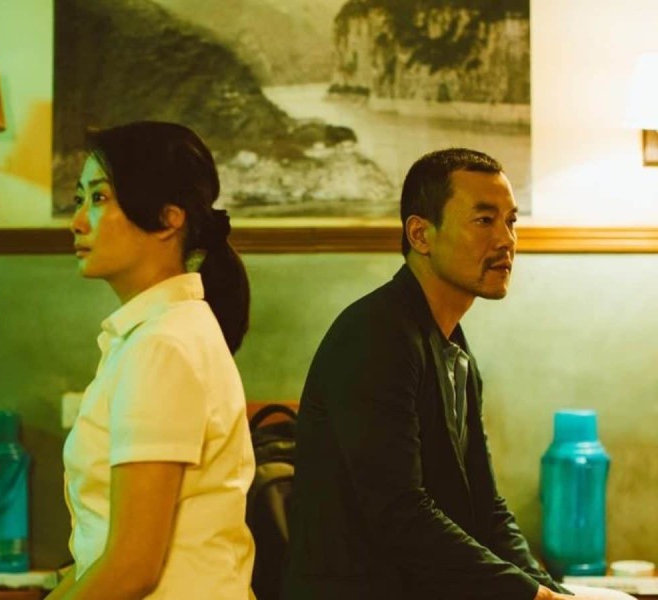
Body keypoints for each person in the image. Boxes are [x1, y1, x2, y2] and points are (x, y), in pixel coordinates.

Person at [283, 148, 635, 600]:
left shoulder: (451, 344)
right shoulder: (375, 335)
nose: (506, 240)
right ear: (421, 234)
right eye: (484, 220)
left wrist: (546, 590)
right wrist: (530, 596)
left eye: (511, 221)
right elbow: (399, 513)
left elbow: (487, 509)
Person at [47, 121, 255, 599]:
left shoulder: (164, 346)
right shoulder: (153, 335)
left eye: (99, 198)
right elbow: (106, 558)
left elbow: (132, 566)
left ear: (168, 219)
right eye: (79, 199)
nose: (77, 221)